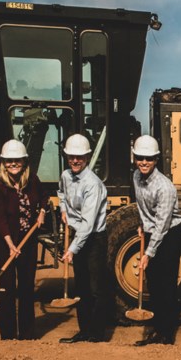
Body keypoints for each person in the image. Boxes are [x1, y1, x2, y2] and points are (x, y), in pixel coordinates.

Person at [0, 139, 47, 340]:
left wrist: (42, 212)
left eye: (17, 160)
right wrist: (10, 245)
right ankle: (8, 333)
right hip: (3, 242)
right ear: (3, 162)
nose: (13, 164)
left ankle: (27, 333)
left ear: (24, 161)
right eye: (9, 160)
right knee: (7, 288)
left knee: (26, 287)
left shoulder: (32, 181)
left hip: (27, 241)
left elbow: (44, 197)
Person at [131, 134, 181, 346]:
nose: (144, 162)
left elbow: (163, 223)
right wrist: (142, 225)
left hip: (170, 234)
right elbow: (143, 207)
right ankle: (157, 328)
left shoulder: (165, 187)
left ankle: (167, 334)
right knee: (153, 283)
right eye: (140, 158)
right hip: (152, 231)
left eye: (149, 158)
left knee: (166, 285)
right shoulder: (136, 176)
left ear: (156, 160)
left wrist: (149, 253)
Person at [57, 133, 110, 343]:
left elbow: (88, 224)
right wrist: (63, 209)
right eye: (71, 157)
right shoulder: (65, 176)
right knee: (82, 288)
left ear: (87, 157)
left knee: (96, 288)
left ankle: (97, 334)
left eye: (79, 157)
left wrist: (71, 249)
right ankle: (84, 331)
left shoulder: (93, 184)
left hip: (94, 238)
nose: (75, 160)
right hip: (78, 236)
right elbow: (61, 193)